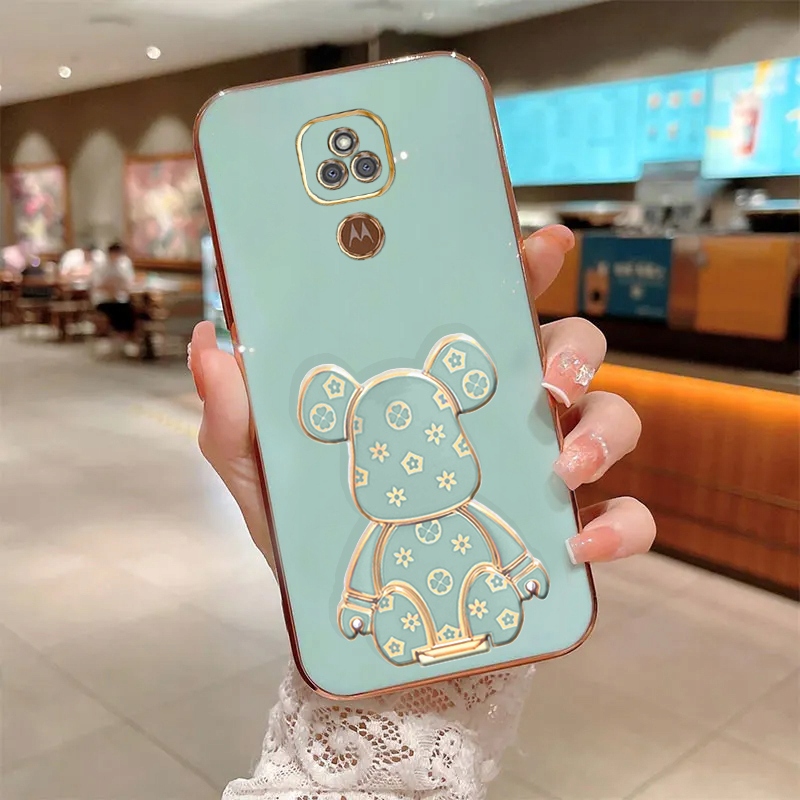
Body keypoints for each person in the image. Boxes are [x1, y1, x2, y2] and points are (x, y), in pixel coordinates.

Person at [188, 225, 656, 800]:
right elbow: (366, 570)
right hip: (405, 607)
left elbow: (493, 538)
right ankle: (418, 619)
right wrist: (366, 626)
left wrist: (515, 574)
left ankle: (481, 603)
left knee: (476, 583)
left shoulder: (435, 518)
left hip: (467, 591)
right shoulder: (391, 529)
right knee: (402, 602)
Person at [92, 242, 138, 355]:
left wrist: (120, 287)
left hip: (121, 298)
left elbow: (129, 282)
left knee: (130, 310)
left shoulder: (124, 264)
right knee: (115, 310)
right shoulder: (101, 265)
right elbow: (97, 285)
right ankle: (116, 338)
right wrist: (110, 288)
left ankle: (125, 338)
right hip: (104, 299)